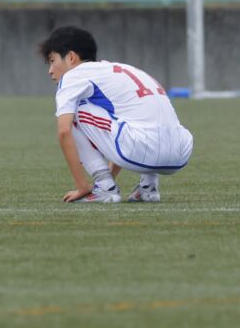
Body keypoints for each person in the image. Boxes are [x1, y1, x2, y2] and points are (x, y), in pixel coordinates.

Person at [39, 26, 194, 203]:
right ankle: (148, 186)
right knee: (137, 116)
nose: (50, 70)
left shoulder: (74, 76)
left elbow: (64, 131)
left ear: (72, 58)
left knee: (75, 109)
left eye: (52, 60)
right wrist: (109, 179)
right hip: (181, 151)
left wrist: (84, 187)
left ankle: (104, 187)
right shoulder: (123, 69)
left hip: (142, 147)